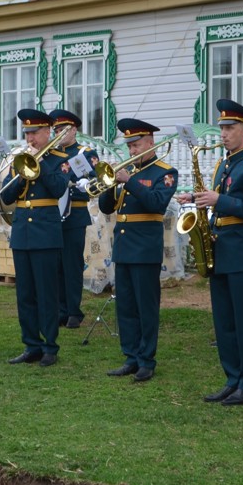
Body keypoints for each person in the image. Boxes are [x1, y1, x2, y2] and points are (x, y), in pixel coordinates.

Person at [176, 100, 243, 404]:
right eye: (222, 128)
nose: (223, 133)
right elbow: (224, 197)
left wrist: (218, 200)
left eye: (230, 128)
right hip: (220, 247)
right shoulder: (225, 163)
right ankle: (232, 378)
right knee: (224, 321)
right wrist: (196, 197)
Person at [98, 118, 178, 382]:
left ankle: (147, 360)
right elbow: (107, 209)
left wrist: (128, 181)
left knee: (146, 307)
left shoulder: (164, 172)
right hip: (124, 247)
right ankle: (130, 356)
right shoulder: (127, 170)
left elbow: (156, 204)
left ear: (150, 142)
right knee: (126, 307)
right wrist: (110, 186)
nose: (132, 150)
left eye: (137, 144)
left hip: (145, 249)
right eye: (129, 145)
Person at [2, 109, 68, 368]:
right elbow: (7, 198)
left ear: (47, 132)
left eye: (34, 132)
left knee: (47, 292)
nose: (30, 138)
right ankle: (31, 344)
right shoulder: (19, 159)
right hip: (22, 232)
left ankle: (50, 345)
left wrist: (38, 168)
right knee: (25, 294)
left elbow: (60, 188)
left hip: (45, 232)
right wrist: (21, 173)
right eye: (27, 133)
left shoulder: (59, 158)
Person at [48, 108, 99, 329]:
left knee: (72, 264)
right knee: (56, 264)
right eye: (56, 130)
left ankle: (74, 311)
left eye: (63, 129)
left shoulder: (85, 152)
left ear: (74, 130)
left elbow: (94, 181)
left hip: (75, 213)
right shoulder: (52, 154)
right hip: (53, 215)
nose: (59, 133)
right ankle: (60, 309)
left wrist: (74, 184)